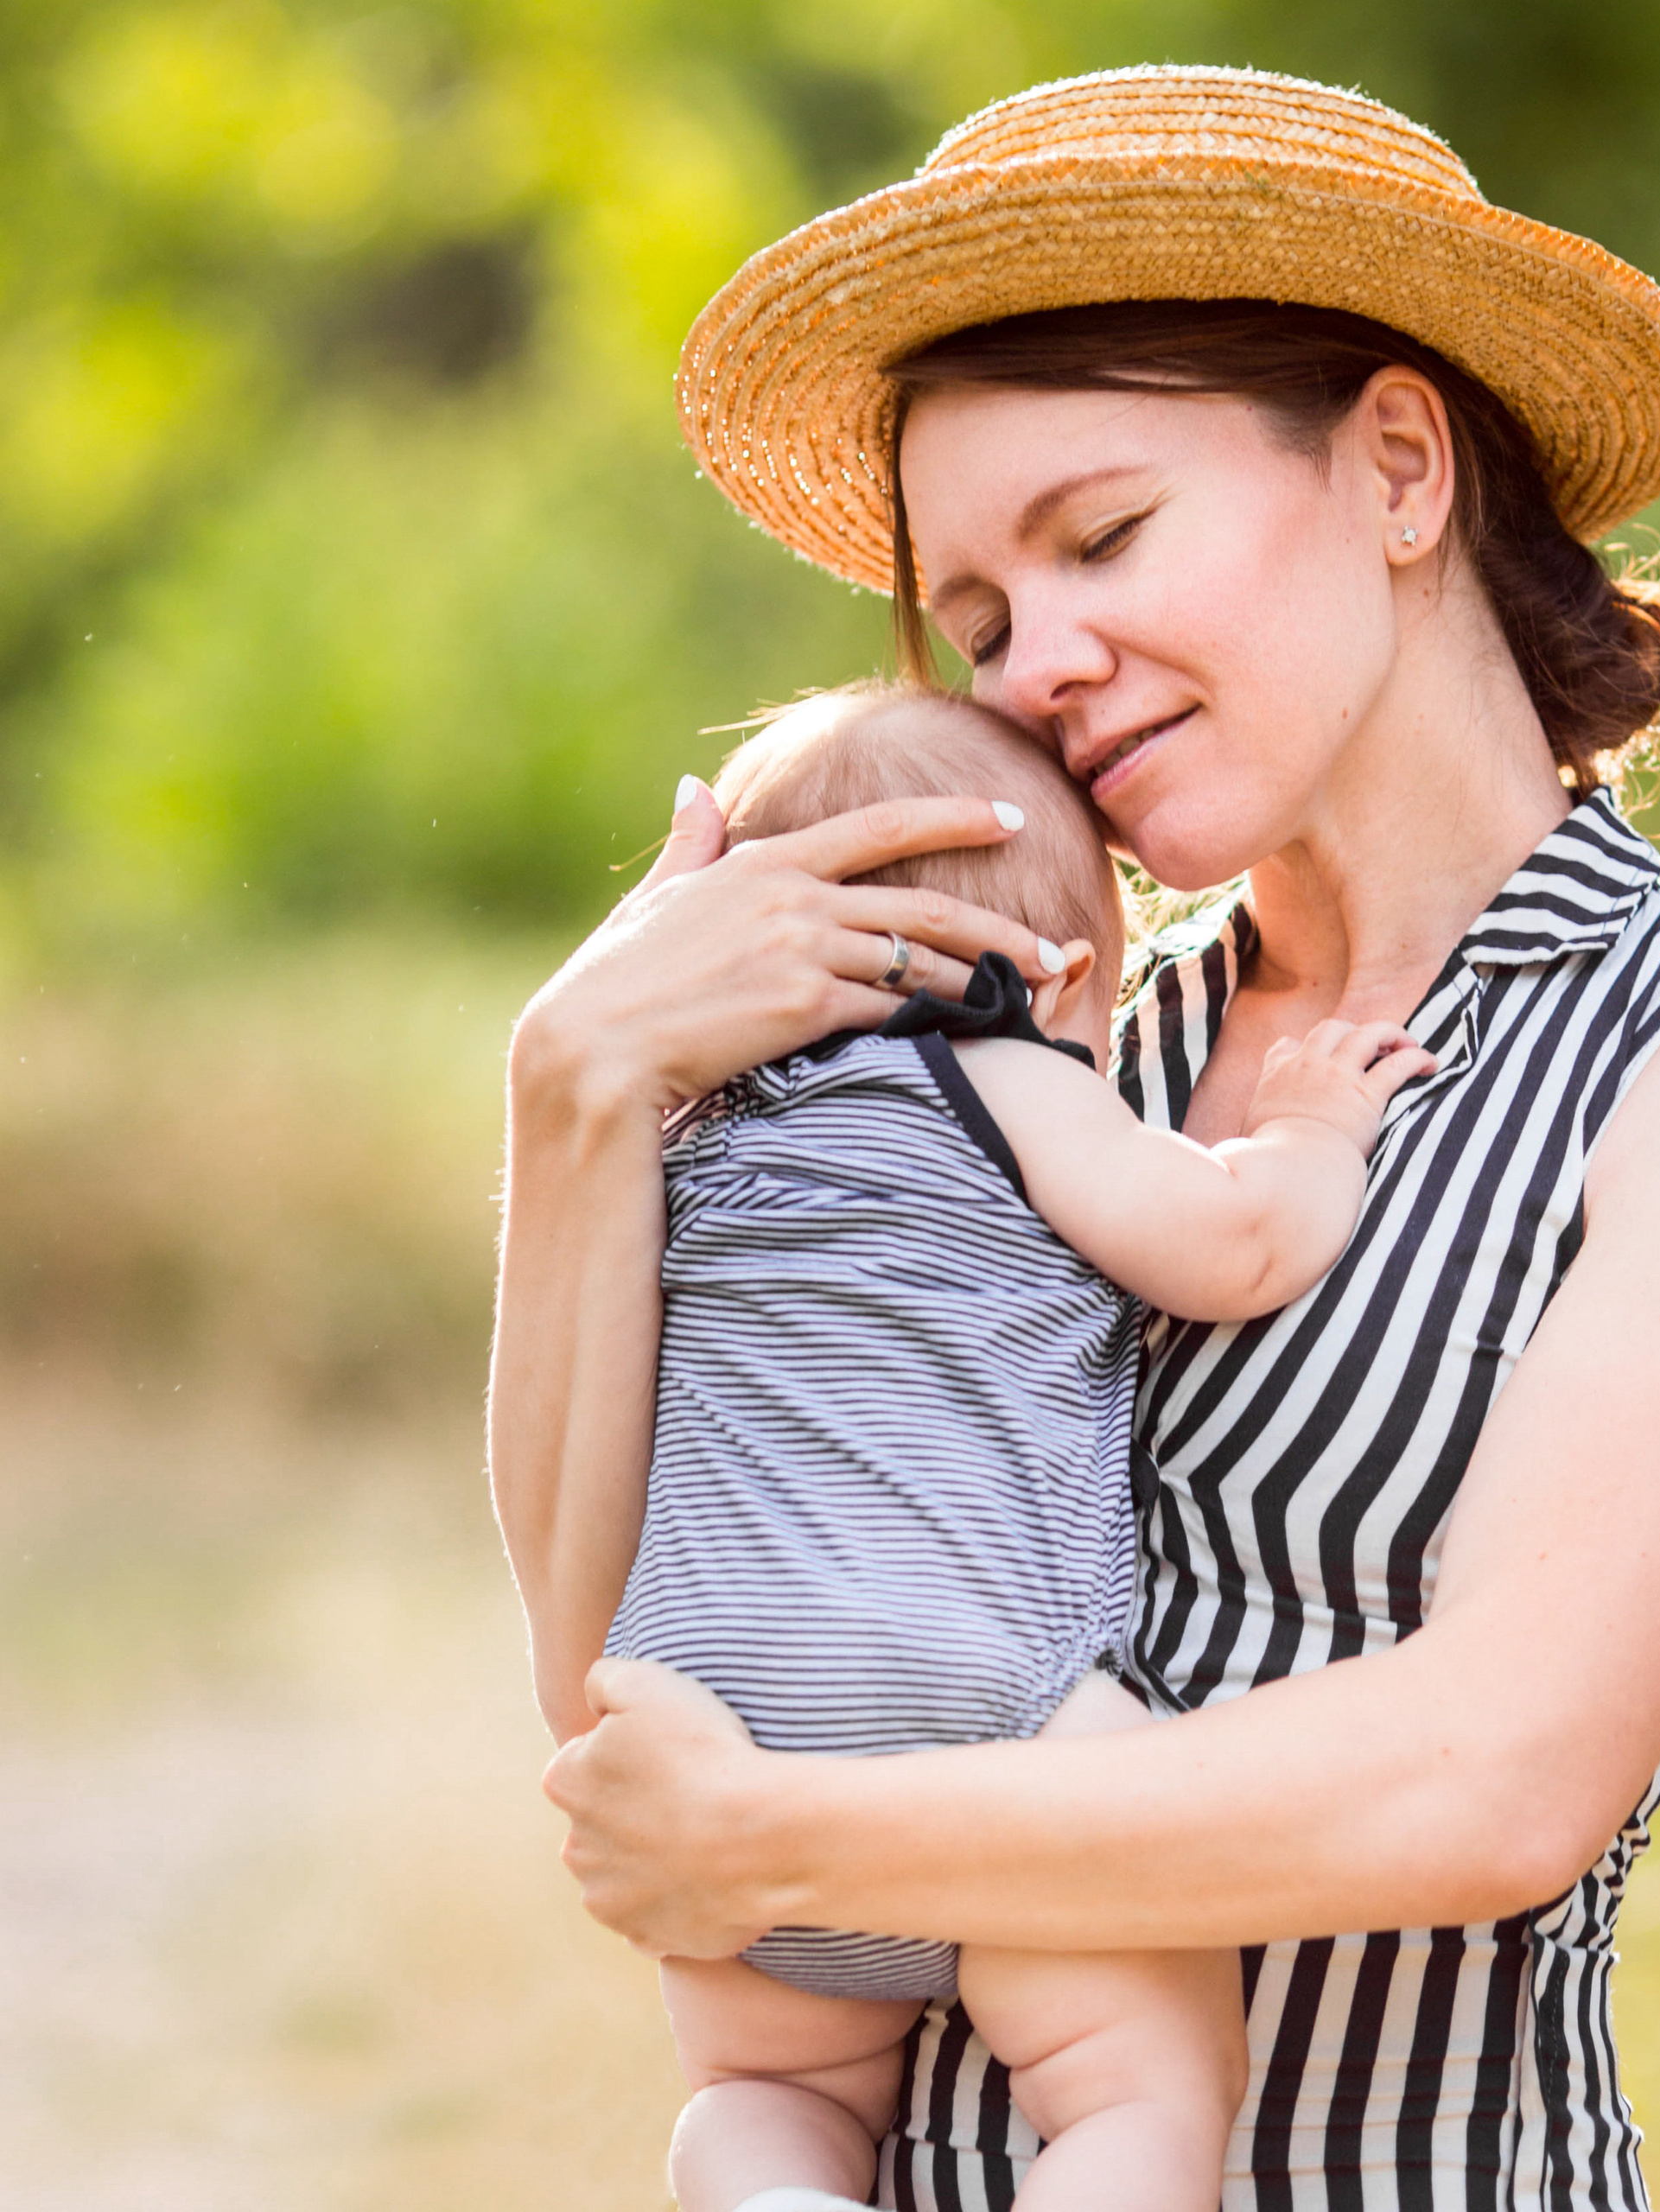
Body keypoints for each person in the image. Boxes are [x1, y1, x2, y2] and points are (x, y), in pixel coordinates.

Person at [492, 65, 1660, 2212]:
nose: (1032, 665)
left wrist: (788, 1836)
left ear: (1400, 464)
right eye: (972, 620)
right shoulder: (1031, 1044)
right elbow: (625, 1655)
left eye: (1102, 535)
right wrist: (577, 1095)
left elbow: (1490, 1773)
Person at [577, 678, 1429, 2212]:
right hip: (980, 1682)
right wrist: (1311, 1136)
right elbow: (1229, 1246)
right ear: (1070, 975)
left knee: (763, 2093)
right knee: (1140, 2083)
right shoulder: (1009, 1076)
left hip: (717, 1691)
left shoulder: (696, 1137)